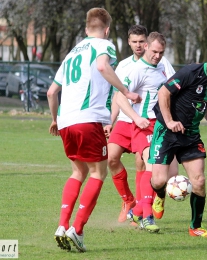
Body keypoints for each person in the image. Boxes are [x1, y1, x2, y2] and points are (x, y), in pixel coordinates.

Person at [47, 7, 141, 253]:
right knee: (98, 173)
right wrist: (126, 91)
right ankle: (77, 230)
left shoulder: (70, 54)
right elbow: (102, 67)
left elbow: (51, 92)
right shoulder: (103, 45)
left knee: (77, 172)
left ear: (86, 28)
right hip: (87, 119)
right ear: (106, 29)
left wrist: (55, 119)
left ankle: (61, 225)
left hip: (66, 121)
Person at [148, 41, 207, 238]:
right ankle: (160, 194)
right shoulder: (189, 72)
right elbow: (163, 92)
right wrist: (170, 121)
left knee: (199, 181)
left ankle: (195, 227)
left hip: (190, 134)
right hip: (166, 131)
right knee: (158, 180)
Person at [104, 25, 178, 223]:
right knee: (113, 157)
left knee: (160, 169)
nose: (138, 45)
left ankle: (144, 206)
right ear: (132, 43)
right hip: (132, 120)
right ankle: (136, 206)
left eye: (160, 52)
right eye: (134, 42)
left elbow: (173, 88)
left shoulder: (163, 65)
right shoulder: (128, 67)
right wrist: (111, 121)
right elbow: (118, 96)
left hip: (156, 123)